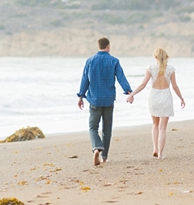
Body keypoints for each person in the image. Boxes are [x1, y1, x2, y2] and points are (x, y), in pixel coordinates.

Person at [77, 37, 132, 166]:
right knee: (107, 129)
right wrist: (129, 92)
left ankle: (96, 147)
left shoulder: (90, 61)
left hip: (94, 99)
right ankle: (104, 157)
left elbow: (85, 79)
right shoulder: (114, 61)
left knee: (93, 127)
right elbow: (121, 78)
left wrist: (80, 96)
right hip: (108, 99)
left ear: (99, 46)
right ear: (108, 46)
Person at [126, 47, 185, 159]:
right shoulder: (171, 69)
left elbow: (143, 85)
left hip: (154, 97)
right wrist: (181, 98)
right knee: (163, 127)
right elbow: (175, 86)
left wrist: (131, 94)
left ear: (155, 57)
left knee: (155, 125)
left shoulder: (150, 68)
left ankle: (155, 149)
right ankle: (160, 154)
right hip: (166, 96)